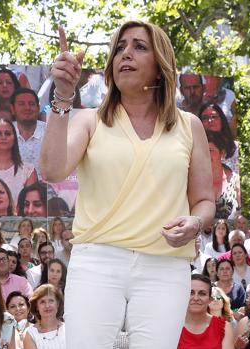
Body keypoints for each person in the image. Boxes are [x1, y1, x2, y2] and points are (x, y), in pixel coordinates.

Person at [41, 22, 215, 348]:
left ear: (161, 67)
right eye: (120, 47)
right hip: (96, 262)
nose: (126, 54)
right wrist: (63, 94)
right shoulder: (89, 120)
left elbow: (205, 200)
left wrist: (195, 222)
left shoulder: (189, 126)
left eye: (139, 47)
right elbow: (51, 169)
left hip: (166, 267)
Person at [177, 274, 234, 349]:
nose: (196, 298)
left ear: (210, 299)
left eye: (202, 293)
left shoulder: (224, 327)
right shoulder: (172, 326)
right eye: (191, 293)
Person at [11, 88, 47, 177]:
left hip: (45, 187)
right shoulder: (4, 132)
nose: (27, 108)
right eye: (21, 104)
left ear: (38, 108)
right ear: (12, 109)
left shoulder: (51, 132)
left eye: (32, 104)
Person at [206, 131, 240, 220]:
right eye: (204, 150)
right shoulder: (195, 180)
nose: (207, 155)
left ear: (222, 153)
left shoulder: (235, 181)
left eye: (211, 150)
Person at [24, 284, 66, 349]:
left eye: (51, 301)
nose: (47, 306)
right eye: (42, 302)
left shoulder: (67, 329)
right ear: (37, 306)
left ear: (57, 303)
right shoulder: (31, 333)